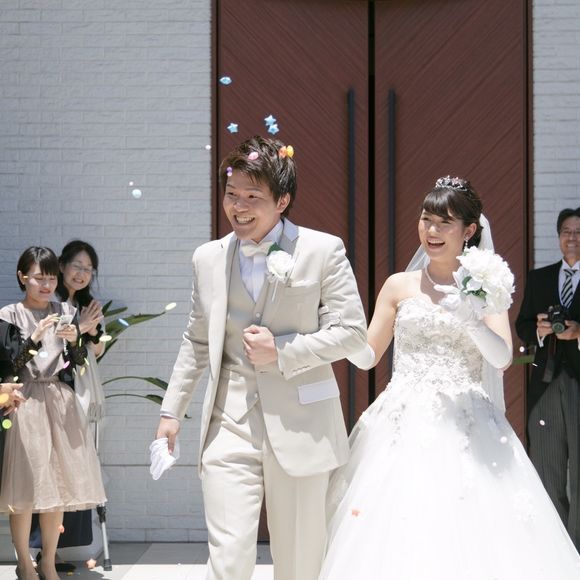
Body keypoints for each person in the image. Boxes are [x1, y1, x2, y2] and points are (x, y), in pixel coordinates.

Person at [319, 178, 580, 579]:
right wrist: (340, 334)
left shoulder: (486, 285)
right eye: (426, 219)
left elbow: (501, 357)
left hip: (467, 421)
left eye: (445, 222)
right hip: (402, 420)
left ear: (469, 230)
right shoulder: (398, 285)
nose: (432, 230)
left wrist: (471, 318)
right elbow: (368, 357)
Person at [155, 136, 366, 580]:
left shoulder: (322, 250)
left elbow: (352, 332)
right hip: (228, 420)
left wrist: (283, 350)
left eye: (253, 196)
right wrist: (172, 411)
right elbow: (197, 340)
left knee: (299, 562)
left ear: (282, 200)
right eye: (232, 194)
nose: (239, 206)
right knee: (228, 556)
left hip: (302, 423)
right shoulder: (207, 258)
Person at [0, 247, 106, 580]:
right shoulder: (9, 315)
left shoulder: (66, 311)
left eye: (50, 279)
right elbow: (10, 366)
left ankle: (47, 562)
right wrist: (34, 337)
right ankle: (24, 563)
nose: (46, 285)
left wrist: (75, 340)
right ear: (23, 278)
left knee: (58, 486)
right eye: (38, 278)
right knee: (25, 488)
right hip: (24, 402)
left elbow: (78, 363)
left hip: (61, 403)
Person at [31, 240, 107, 569]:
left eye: (88, 269)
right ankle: (40, 553)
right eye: (77, 266)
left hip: (80, 391)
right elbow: (51, 343)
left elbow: (97, 350)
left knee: (70, 471)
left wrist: (93, 330)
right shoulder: (51, 302)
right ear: (61, 266)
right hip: (53, 390)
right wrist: (81, 328)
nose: (82, 273)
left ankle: (53, 552)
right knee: (49, 470)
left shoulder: (86, 305)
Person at [516, 207, 580, 550]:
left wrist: (578, 332)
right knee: (546, 468)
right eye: (567, 231)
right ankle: (557, 551)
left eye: (579, 232)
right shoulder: (539, 278)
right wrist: (540, 331)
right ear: (558, 237)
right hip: (545, 384)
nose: (572, 238)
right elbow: (522, 325)